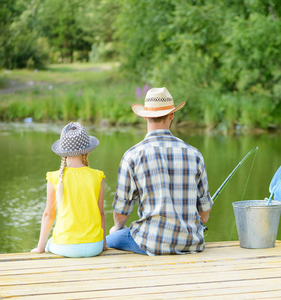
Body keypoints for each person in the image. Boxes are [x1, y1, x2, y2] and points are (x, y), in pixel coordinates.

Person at [107, 87, 212, 256]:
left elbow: (122, 210)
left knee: (106, 240)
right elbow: (205, 210)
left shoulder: (132, 156)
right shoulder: (194, 154)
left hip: (150, 243)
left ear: (145, 116)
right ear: (171, 115)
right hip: (191, 243)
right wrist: (200, 218)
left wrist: (117, 228)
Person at [31, 122, 107, 257]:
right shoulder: (98, 176)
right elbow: (101, 213)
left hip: (66, 246)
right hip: (95, 246)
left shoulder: (55, 177)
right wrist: (104, 245)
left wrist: (40, 247)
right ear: (88, 151)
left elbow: (49, 214)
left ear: (62, 153)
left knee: (49, 243)